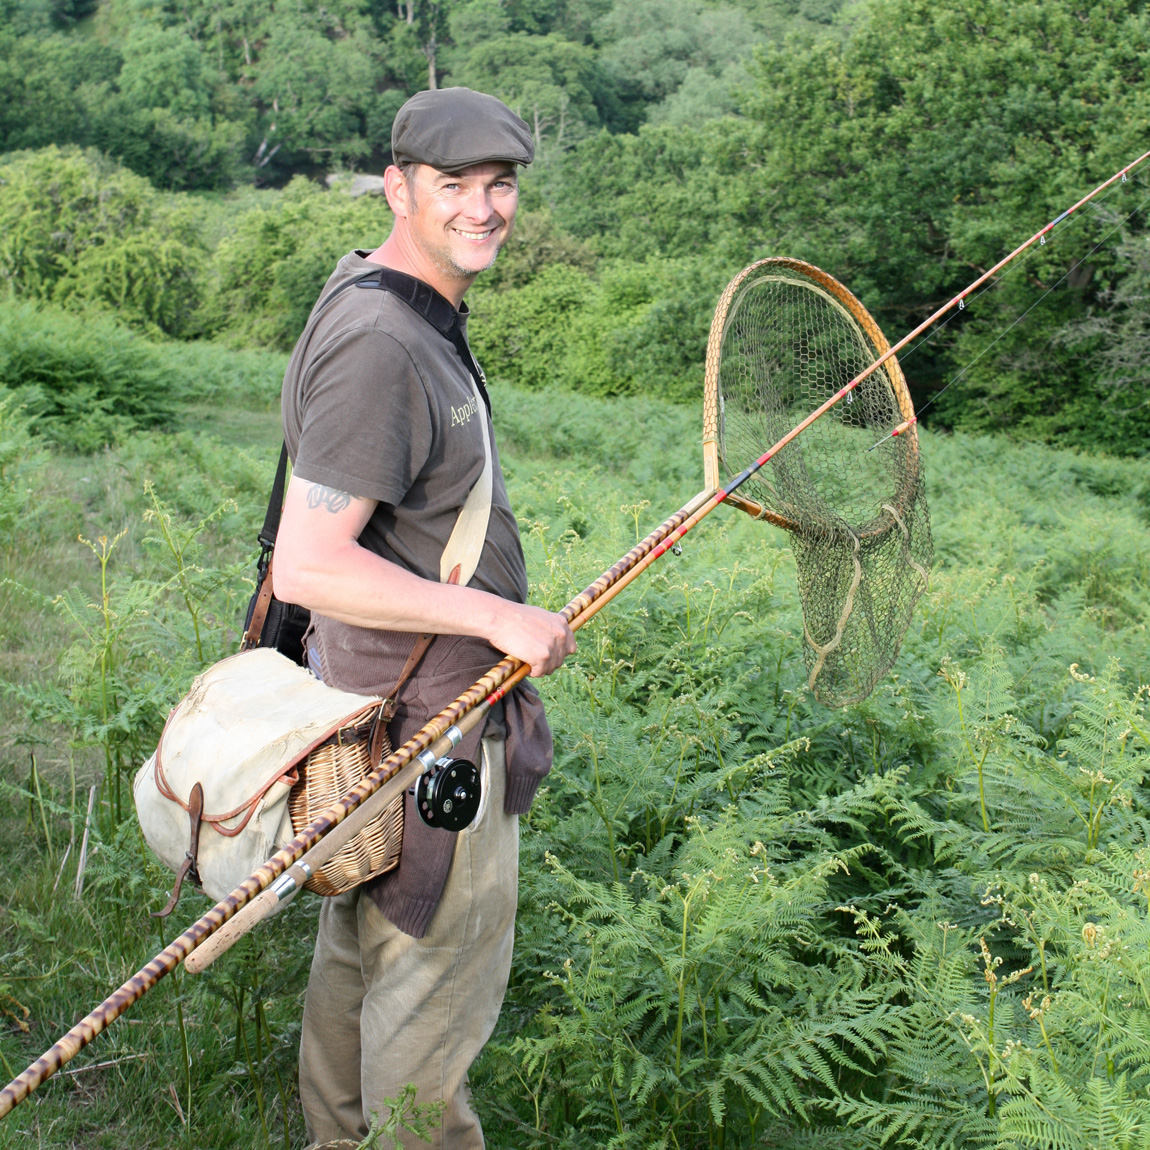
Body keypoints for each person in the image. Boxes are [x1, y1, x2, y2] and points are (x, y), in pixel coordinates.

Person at [272, 87, 576, 1150]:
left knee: (358, 979)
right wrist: (494, 614)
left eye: (501, 185)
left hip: (375, 732)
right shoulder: (382, 340)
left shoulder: (396, 304)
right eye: (455, 184)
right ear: (398, 185)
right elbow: (308, 565)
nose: (485, 207)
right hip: (425, 740)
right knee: (422, 1030)